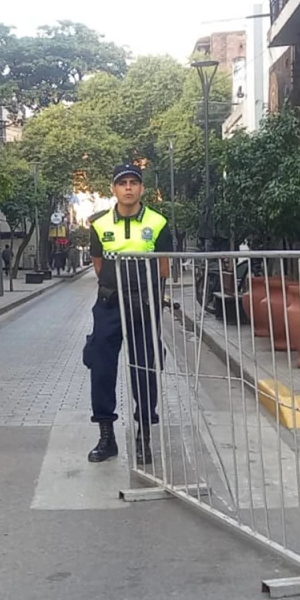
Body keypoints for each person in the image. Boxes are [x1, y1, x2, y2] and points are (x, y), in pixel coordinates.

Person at [82, 163, 172, 465]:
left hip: (144, 306)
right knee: (102, 369)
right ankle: (106, 437)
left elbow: (163, 269)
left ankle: (144, 435)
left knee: (144, 370)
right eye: (123, 183)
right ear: (114, 189)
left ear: (142, 188)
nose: (129, 188)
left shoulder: (159, 223)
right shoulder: (99, 224)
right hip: (109, 305)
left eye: (134, 182)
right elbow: (98, 264)